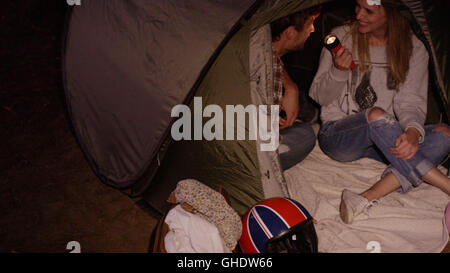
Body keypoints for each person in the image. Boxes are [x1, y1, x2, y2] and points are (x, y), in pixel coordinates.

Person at [309, 0, 450, 224]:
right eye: (356, 6)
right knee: (376, 114)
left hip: (384, 141)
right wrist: (337, 71)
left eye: (369, 11)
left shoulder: (414, 48)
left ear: (392, 13)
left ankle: (365, 197)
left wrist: (413, 131)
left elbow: (410, 101)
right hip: (339, 136)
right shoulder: (340, 37)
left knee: (444, 133)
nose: (359, 15)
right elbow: (318, 96)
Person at [270, 6, 321, 170]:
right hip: (248, 142)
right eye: (310, 24)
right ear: (290, 32)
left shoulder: (270, 55)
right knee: (305, 136)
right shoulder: (266, 68)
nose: (313, 29)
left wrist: (291, 87)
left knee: (301, 109)